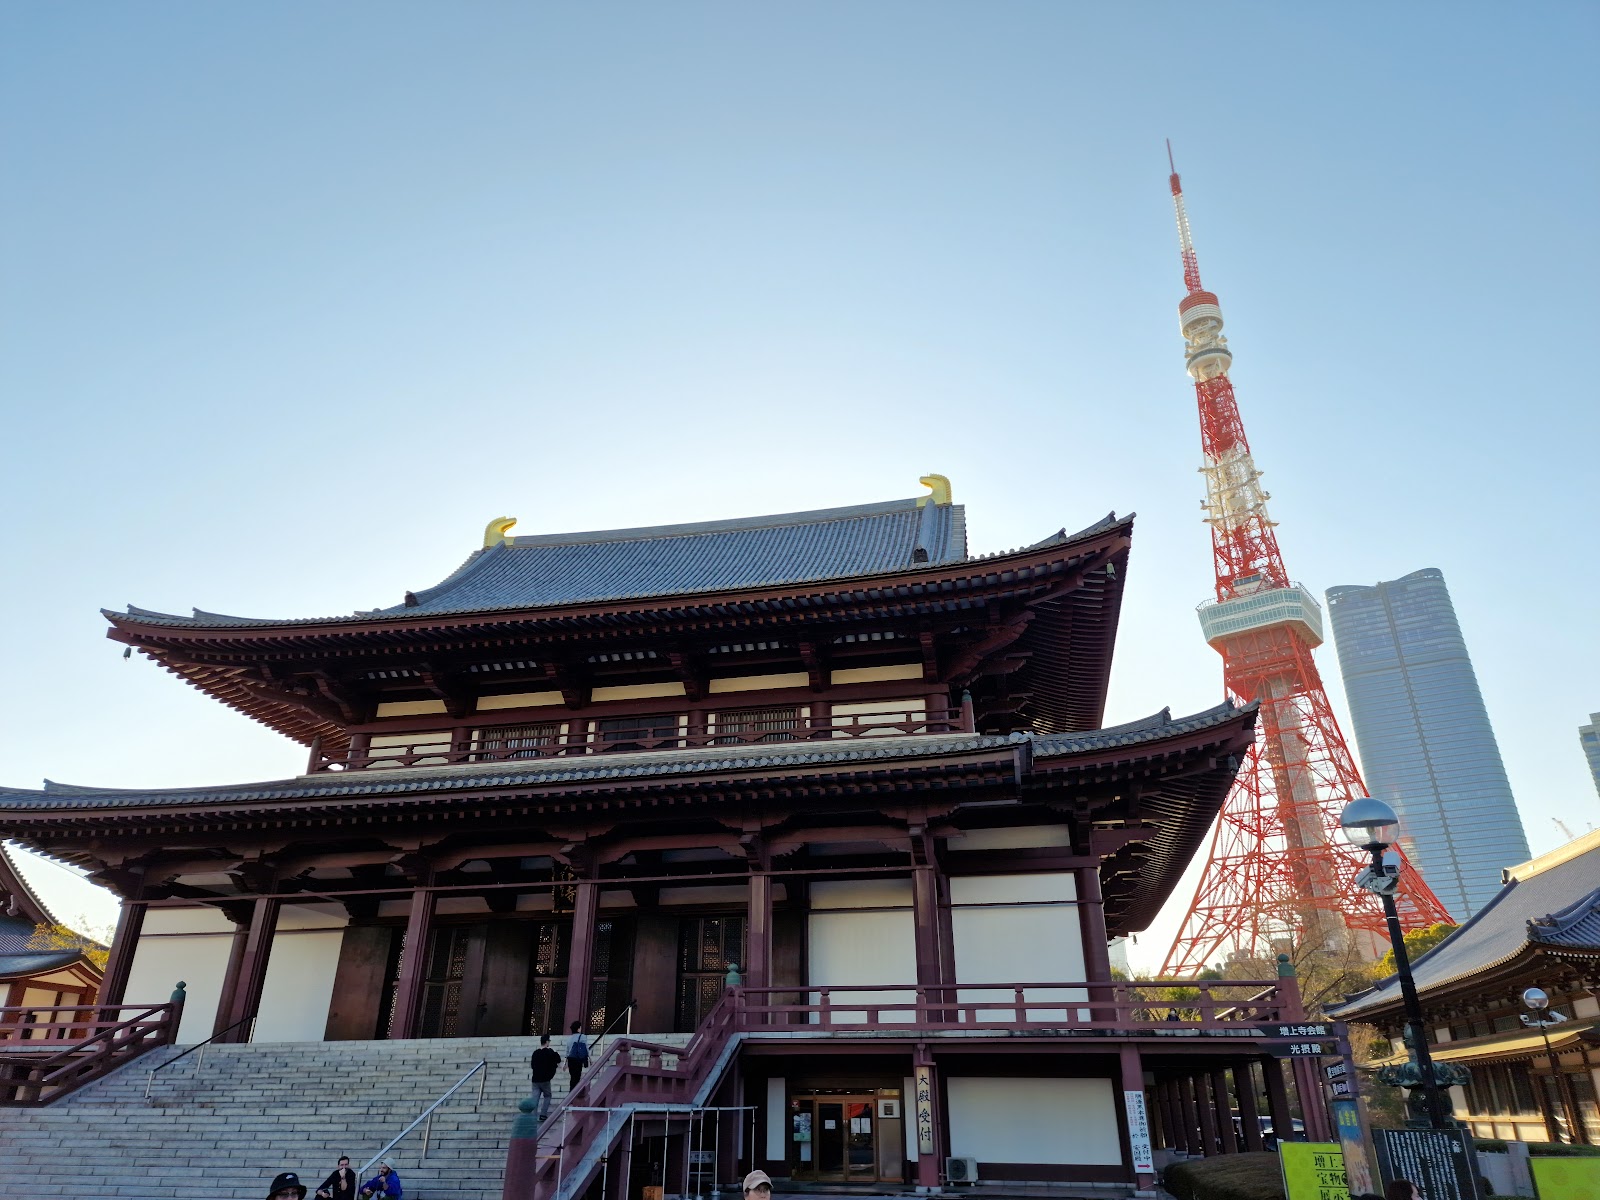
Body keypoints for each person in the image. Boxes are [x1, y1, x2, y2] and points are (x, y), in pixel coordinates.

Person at [530, 1033, 562, 1120]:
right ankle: (543, 1114)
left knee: (535, 1098)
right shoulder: (549, 1052)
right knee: (547, 1096)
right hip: (545, 1079)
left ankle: (533, 1116)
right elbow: (558, 1059)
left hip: (535, 1079)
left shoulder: (535, 1053)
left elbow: (532, 1065)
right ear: (547, 1042)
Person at [566, 1020, 590, 1090]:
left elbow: (567, 1051)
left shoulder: (569, 1038)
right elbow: (586, 1048)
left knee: (573, 1077)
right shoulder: (582, 1037)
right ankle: (574, 1092)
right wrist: (589, 1058)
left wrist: (565, 1062)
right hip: (578, 1059)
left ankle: (571, 1092)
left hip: (570, 1059)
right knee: (577, 1077)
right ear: (578, 1028)